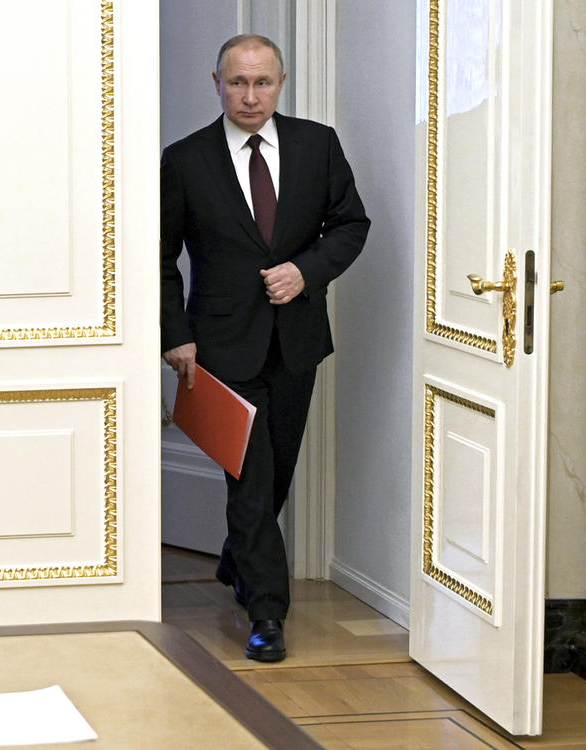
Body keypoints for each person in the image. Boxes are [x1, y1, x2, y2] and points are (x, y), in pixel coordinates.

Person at [161, 34, 370, 662]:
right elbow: (158, 258)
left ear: (281, 82)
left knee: (276, 470)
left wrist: (307, 270)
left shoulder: (317, 144)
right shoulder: (185, 159)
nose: (249, 96)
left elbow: (352, 224)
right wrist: (175, 335)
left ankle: (237, 558)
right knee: (248, 480)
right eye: (237, 83)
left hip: (297, 340)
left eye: (262, 83)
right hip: (220, 347)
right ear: (216, 82)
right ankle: (267, 615)